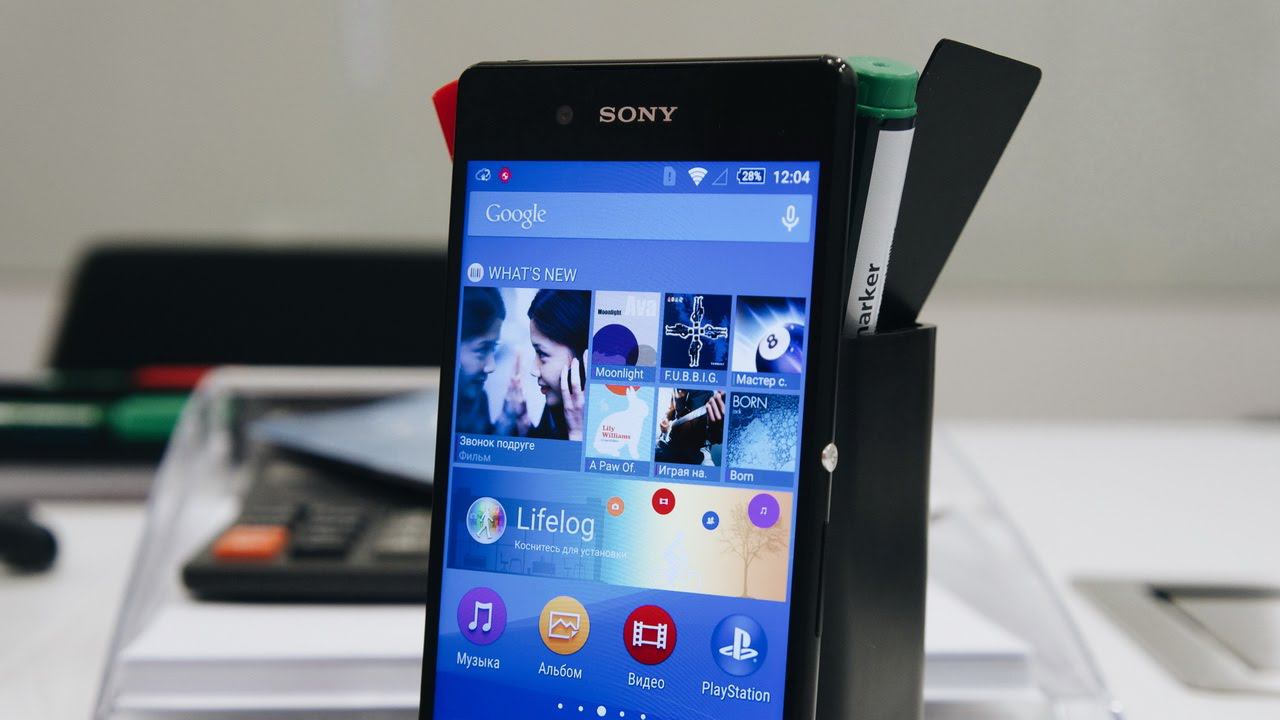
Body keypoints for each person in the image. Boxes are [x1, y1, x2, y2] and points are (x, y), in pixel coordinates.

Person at [500, 289, 590, 441]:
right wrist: (524, 430)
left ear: (583, 356)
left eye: (542, 354)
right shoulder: (556, 407)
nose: (534, 370)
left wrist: (578, 434)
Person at [454, 287, 505, 434]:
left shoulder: (480, 400)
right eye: (482, 350)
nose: (491, 366)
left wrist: (506, 422)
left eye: (493, 349)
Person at [655, 389, 725, 465]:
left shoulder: (709, 395)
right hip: (670, 442)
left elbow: (716, 436)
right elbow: (672, 409)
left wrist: (718, 430)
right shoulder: (677, 387)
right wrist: (666, 419)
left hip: (696, 451)